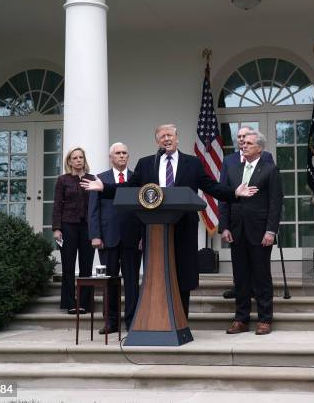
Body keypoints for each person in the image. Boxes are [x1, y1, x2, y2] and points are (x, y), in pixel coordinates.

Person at [80, 124, 258, 318]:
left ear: (177, 138)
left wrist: (234, 193)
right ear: (157, 141)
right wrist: (104, 188)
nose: (166, 139)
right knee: (157, 275)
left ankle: (181, 318)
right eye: (162, 136)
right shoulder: (147, 163)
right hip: (155, 228)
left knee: (182, 275)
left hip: (183, 227)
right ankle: (157, 317)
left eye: (170, 135)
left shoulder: (192, 163)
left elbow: (211, 186)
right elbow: (130, 188)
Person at [222, 131, 283, 335]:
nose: (243, 145)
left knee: (261, 276)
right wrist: (225, 227)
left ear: (259, 148)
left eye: (249, 143)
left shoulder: (270, 169)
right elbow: (226, 200)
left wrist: (271, 231)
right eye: (243, 143)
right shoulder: (233, 169)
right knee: (240, 277)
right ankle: (241, 319)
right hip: (237, 231)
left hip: (260, 232)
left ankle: (265, 319)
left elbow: (275, 203)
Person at [88, 142, 142, 334]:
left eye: (124, 153)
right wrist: (95, 235)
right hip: (107, 238)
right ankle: (111, 322)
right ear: (111, 157)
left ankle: (132, 320)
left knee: (132, 282)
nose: (121, 156)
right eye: (117, 153)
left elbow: (143, 209)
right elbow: (93, 210)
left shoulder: (137, 178)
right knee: (109, 282)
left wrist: (143, 236)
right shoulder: (100, 179)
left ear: (128, 156)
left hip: (133, 238)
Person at [219, 126, 274, 299]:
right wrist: (224, 225)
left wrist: (271, 228)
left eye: (246, 137)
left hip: (258, 224)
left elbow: (272, 195)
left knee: (260, 270)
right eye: (239, 137)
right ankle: (241, 298)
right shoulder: (229, 162)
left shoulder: (266, 159)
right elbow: (224, 195)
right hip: (237, 225)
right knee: (240, 270)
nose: (242, 140)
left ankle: (260, 301)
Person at [52, 147, 96, 314]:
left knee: (87, 266)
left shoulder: (92, 179)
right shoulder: (63, 180)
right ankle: (70, 303)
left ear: (84, 160)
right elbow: (57, 205)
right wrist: (56, 228)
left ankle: (85, 303)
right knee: (68, 266)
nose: (78, 160)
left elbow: (95, 206)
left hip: (87, 227)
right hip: (67, 226)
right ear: (69, 161)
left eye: (81, 157)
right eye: (74, 158)